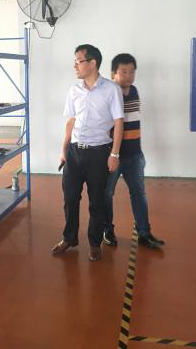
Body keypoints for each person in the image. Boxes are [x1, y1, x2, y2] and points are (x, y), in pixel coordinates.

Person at [52, 44, 124, 261]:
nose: (75, 65)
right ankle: (69, 238)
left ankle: (94, 242)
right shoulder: (74, 90)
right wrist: (64, 150)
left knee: (97, 201)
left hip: (99, 153)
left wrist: (114, 154)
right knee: (70, 198)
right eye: (75, 61)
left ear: (93, 63)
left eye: (79, 61)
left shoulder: (111, 90)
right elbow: (71, 121)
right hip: (75, 152)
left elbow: (118, 123)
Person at [103, 53, 164, 248]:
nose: (128, 75)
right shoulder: (109, 94)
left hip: (134, 154)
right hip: (113, 156)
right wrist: (112, 154)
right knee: (106, 194)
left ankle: (144, 232)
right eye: (123, 72)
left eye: (132, 71)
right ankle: (107, 230)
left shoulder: (134, 91)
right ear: (113, 74)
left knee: (139, 193)